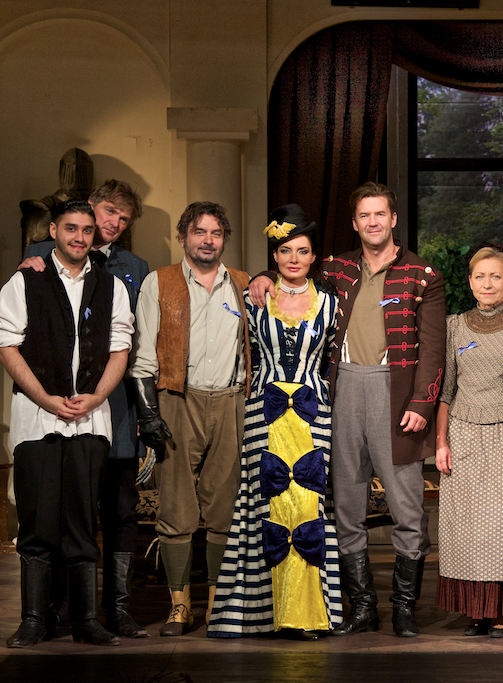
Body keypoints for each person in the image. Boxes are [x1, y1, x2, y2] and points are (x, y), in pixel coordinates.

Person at [248, 182, 445, 638]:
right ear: (355, 223)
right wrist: (262, 274)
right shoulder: (336, 269)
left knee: (407, 509)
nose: (373, 222)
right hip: (342, 393)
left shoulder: (422, 274)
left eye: (380, 214)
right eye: (364, 215)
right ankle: (363, 607)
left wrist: (422, 403)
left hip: (397, 395)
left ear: (393, 219)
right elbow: (293, 272)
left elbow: (434, 348)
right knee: (347, 507)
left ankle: (404, 608)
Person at [0, 199, 134, 647]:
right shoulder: (25, 280)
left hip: (90, 420)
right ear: (53, 230)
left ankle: (85, 620)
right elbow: (7, 344)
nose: (79, 237)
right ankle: (34, 619)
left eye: (87, 230)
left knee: (82, 521)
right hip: (38, 419)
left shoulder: (111, 286)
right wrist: (45, 399)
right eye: (71, 228)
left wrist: (97, 396)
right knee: (37, 522)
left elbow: (120, 349)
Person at [21, 179, 149, 639]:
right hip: (57, 404)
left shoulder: (134, 267)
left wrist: (144, 412)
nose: (114, 223)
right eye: (109, 211)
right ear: (90, 209)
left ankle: (116, 609)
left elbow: (134, 340)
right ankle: (56, 609)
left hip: (114, 404)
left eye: (124, 218)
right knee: (59, 507)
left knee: (119, 507)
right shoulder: (41, 253)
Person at [207, 205, 342, 637]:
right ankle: (265, 614)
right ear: (275, 255)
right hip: (262, 415)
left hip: (313, 414)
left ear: (314, 256)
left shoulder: (332, 303)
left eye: (302, 251)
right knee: (264, 506)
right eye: (285, 251)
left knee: (308, 505)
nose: (293, 259)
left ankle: (308, 613)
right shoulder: (255, 297)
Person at [129, 201, 252, 636]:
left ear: (224, 239)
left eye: (216, 233)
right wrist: (149, 413)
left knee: (225, 507)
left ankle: (217, 605)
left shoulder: (244, 284)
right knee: (177, 507)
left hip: (233, 400)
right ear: (184, 237)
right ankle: (179, 606)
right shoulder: (158, 282)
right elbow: (143, 354)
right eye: (199, 232)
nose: (208, 240)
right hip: (177, 399)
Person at [434, 244, 503, 638]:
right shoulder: (453, 326)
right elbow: (445, 391)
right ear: (469, 282)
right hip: (462, 433)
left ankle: (500, 611)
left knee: (502, 527)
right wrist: (441, 443)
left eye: (496, 276)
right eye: (480, 276)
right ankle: (474, 610)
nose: (488, 283)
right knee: (463, 527)